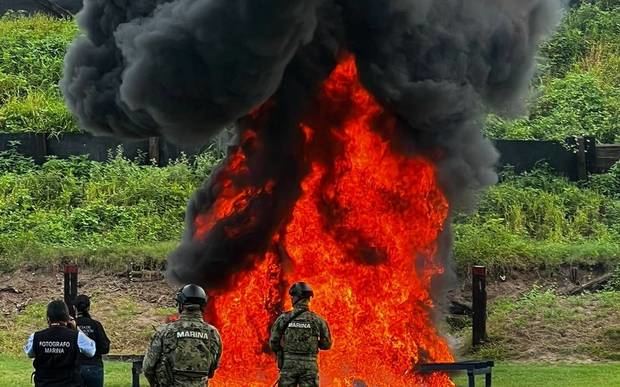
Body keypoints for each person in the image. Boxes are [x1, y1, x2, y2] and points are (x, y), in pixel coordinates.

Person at [143, 284, 222, 387]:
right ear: (203, 305)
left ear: (181, 304)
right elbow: (212, 369)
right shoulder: (213, 334)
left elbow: (148, 367)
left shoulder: (165, 332)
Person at [269, 282, 332, 387]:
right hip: (309, 367)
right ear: (308, 299)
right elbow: (327, 344)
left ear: (296, 298)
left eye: (292, 296)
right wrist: (314, 343)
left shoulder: (284, 318)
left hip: (289, 366)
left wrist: (283, 353)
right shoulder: (318, 320)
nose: (291, 299)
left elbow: (273, 342)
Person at [24, 299, 96, 387]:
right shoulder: (76, 336)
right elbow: (91, 351)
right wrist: (76, 329)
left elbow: (29, 353)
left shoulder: (36, 336)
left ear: (48, 318)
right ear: (67, 318)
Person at [74, 294, 111, 387]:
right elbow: (105, 348)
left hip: (75, 367)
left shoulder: (71, 325)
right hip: (94, 366)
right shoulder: (96, 325)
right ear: (89, 308)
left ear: (74, 308)